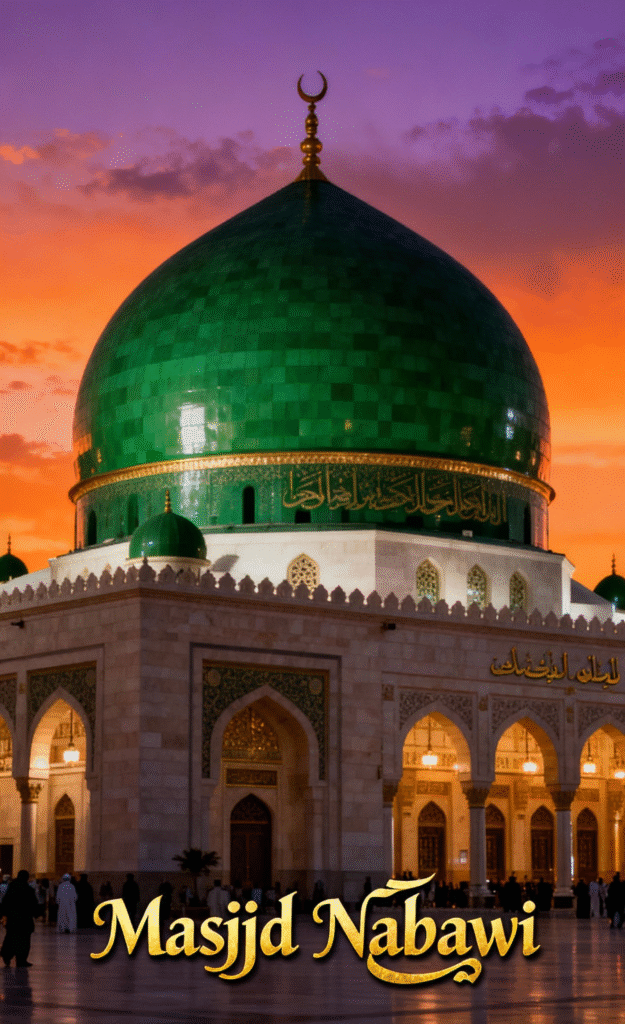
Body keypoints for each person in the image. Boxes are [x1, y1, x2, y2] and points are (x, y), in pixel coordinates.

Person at [0, 869, 40, 967]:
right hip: (25, 920)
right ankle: (21, 960)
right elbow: (34, 904)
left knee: (11, 939)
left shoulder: (12, 888)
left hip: (13, 919)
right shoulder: (28, 889)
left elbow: (5, 902)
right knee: (24, 941)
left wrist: (3, 914)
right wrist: (36, 913)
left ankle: (7, 956)